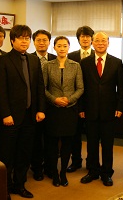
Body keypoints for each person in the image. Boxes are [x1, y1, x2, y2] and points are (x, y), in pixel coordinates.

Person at [0, 25, 46, 199]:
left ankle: (20, 185)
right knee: (7, 155)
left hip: (30, 116)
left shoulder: (33, 60)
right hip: (11, 117)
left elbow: (39, 86)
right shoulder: (3, 60)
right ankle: (5, 187)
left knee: (24, 153)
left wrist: (40, 109)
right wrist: (5, 114)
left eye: (27, 38)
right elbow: (0, 90)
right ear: (12, 40)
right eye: (21, 38)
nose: (25, 41)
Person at [79, 32, 123, 187]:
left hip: (109, 111)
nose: (100, 43)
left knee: (107, 144)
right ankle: (92, 171)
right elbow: (81, 87)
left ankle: (106, 173)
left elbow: (121, 87)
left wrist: (119, 107)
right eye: (97, 40)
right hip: (90, 110)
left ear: (108, 43)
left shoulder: (117, 62)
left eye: (103, 40)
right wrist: (81, 108)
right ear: (92, 43)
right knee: (91, 144)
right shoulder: (84, 63)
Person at [43, 36, 84, 187]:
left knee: (67, 143)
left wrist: (69, 99)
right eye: (59, 45)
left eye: (64, 46)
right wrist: (54, 99)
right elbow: (43, 88)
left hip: (69, 110)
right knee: (52, 144)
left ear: (68, 48)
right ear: (54, 47)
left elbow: (80, 88)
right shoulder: (47, 65)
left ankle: (63, 173)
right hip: (53, 110)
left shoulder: (75, 66)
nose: (62, 48)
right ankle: (54, 172)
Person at [67, 26, 95, 173]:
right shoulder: (70, 56)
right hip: (75, 102)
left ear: (92, 39)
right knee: (75, 134)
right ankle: (76, 161)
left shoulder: (98, 55)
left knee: (92, 135)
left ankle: (91, 162)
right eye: (82, 37)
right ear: (78, 39)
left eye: (87, 36)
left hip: (92, 102)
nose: (85, 39)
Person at [30, 29, 57, 181]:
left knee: (50, 139)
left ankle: (50, 167)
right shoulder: (28, 58)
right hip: (35, 106)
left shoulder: (55, 58)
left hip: (52, 106)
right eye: (39, 40)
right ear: (34, 42)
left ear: (49, 42)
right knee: (36, 139)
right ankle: (37, 168)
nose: (42, 43)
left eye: (45, 40)